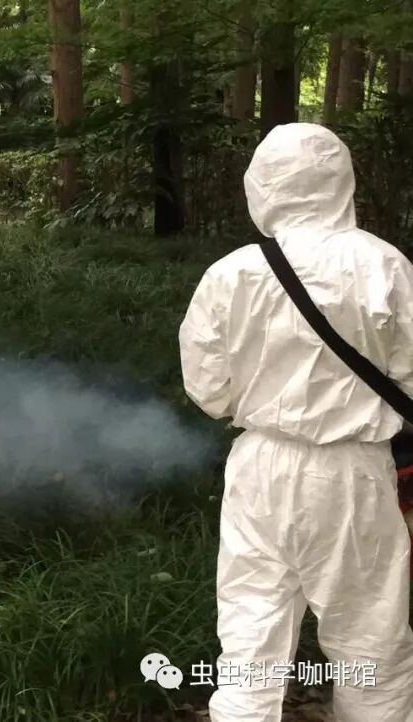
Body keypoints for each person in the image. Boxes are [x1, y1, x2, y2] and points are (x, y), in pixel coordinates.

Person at [178, 122, 413, 722]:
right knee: (370, 639)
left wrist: (263, 401)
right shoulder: (384, 266)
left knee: (250, 634)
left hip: (260, 466)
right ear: (342, 181)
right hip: (355, 471)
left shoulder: (231, 274)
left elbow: (207, 388)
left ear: (262, 185)